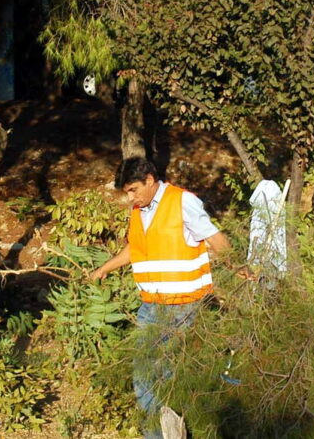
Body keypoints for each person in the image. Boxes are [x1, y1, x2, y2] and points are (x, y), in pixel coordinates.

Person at [88, 157, 232, 439]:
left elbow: (215, 239)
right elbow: (135, 249)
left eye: (133, 189)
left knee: (174, 373)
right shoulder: (139, 210)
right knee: (144, 372)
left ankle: (182, 429)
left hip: (184, 305)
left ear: (150, 181)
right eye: (127, 192)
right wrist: (103, 268)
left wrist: (240, 270)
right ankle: (157, 433)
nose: (130, 197)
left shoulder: (182, 202)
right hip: (151, 305)